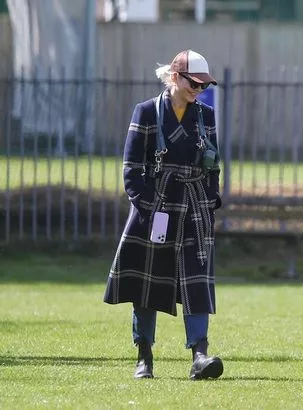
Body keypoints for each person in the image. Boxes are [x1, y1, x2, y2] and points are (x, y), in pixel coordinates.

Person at [104, 49, 224, 380]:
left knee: (197, 282)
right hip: (156, 208)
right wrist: (146, 206)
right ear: (174, 77)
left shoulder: (206, 115)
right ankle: (144, 356)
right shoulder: (145, 112)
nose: (198, 91)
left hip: (194, 208)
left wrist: (211, 198)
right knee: (146, 283)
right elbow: (131, 168)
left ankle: (200, 355)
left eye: (203, 86)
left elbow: (213, 164)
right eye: (193, 84)